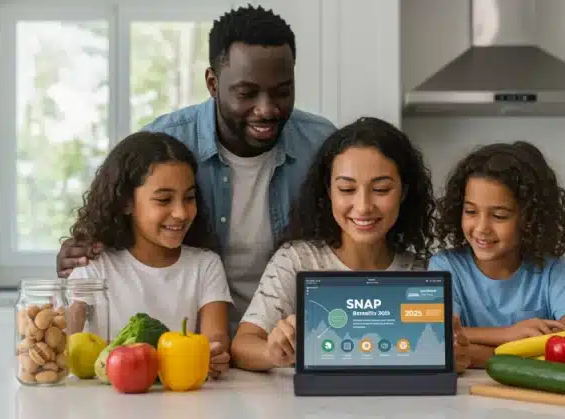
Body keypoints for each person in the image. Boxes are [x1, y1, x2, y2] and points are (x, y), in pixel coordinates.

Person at [55, 5, 337, 327]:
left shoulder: (321, 144)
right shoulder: (162, 144)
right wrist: (78, 255)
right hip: (191, 346)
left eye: (282, 92)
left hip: (287, 340)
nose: (266, 109)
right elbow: (112, 221)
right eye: (246, 93)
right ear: (213, 83)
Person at [230, 117, 470, 373]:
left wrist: (456, 357)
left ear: (404, 192)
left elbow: (443, 353)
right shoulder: (296, 260)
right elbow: (242, 345)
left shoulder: (422, 271)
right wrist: (273, 352)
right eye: (346, 189)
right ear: (328, 191)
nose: (364, 207)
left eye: (381, 189)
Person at [64, 131, 234, 379]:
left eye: (189, 198)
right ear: (126, 203)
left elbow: (215, 338)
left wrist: (216, 354)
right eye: (164, 200)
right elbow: (66, 335)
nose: (181, 213)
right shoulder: (96, 265)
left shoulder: (205, 265)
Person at [428, 141, 565, 368]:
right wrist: (507, 335)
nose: (482, 227)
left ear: (530, 219)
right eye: (471, 211)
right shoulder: (445, 267)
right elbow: (439, 338)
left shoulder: (551, 268)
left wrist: (477, 352)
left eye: (499, 215)